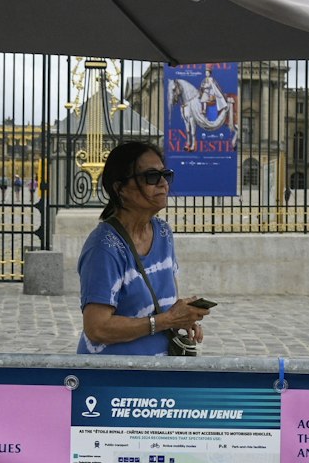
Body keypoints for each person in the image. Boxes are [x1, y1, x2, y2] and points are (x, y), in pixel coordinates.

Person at [77, 140, 210, 356]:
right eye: (151, 177)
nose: (163, 184)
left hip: (156, 375)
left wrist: (181, 316)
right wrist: (167, 320)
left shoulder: (163, 233)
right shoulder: (104, 247)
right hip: (114, 379)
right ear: (120, 188)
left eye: (165, 175)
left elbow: (160, 307)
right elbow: (97, 328)